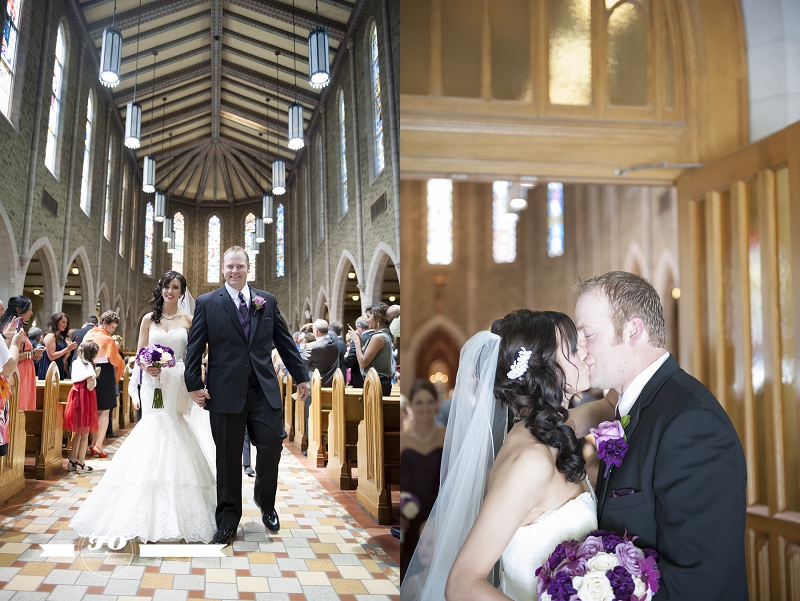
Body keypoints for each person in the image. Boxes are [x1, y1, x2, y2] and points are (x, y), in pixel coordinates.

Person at [402, 309, 605, 600]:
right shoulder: (530, 461)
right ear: (544, 367)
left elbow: (607, 407)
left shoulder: (552, 430)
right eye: (573, 347)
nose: (584, 351)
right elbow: (461, 584)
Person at [573, 271, 747, 600]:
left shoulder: (691, 422)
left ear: (633, 330)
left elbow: (698, 579)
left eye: (588, 334)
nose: (579, 350)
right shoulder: (634, 406)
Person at [71, 271, 217, 543]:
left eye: (175, 287)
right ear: (160, 290)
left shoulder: (189, 319)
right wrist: (147, 365)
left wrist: (186, 368)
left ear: (182, 292)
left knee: (174, 423)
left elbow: (200, 350)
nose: (170, 291)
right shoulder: (149, 319)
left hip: (177, 380)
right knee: (154, 425)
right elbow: (139, 353)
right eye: (166, 286)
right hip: (152, 382)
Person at [185, 246, 310, 546]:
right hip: (225, 391)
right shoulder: (207, 303)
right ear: (223, 269)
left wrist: (302, 376)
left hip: (263, 389)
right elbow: (195, 346)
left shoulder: (266, 300)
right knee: (228, 458)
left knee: (271, 445)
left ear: (248, 268)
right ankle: (228, 520)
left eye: (239, 266)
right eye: (229, 266)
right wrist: (193, 384)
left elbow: (284, 342)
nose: (235, 271)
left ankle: (265, 502)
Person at [400, 379, 446, 579]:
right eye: (419, 402)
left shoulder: (447, 436)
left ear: (437, 404)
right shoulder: (404, 439)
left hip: (439, 513)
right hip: (410, 517)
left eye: (429, 402)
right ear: (411, 405)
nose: (425, 407)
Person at [83, 312, 124, 458]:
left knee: (94, 410)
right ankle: (98, 445)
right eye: (112, 327)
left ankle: (92, 443)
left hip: (90, 372)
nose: (113, 330)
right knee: (104, 411)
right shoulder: (107, 339)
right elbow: (117, 360)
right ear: (105, 323)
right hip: (105, 374)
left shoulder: (89, 334)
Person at [0, 297, 44, 411]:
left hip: (25, 370)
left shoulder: (18, 328)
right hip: (17, 371)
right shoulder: (10, 328)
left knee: (24, 410)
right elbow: (6, 356)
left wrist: (33, 354)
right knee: (18, 409)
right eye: (29, 309)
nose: (31, 313)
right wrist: (32, 353)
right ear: (19, 310)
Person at [64, 342, 100, 472]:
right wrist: (96, 374)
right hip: (85, 397)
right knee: (85, 433)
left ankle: (72, 461)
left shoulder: (76, 362)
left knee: (78, 432)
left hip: (75, 395)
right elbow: (90, 386)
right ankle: (81, 463)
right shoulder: (88, 366)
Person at [347, 303, 394, 396]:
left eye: (369, 317)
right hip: (378, 382)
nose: (367, 320)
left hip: (376, 383)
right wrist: (360, 340)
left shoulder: (378, 337)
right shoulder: (384, 335)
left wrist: (356, 342)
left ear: (377, 318)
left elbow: (363, 363)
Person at [37, 312, 77, 380]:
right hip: (49, 368)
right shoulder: (50, 336)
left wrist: (68, 351)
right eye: (63, 322)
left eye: (66, 322)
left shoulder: (60, 337)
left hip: (58, 367)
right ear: (56, 322)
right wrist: (67, 349)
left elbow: (62, 360)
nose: (65, 325)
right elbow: (51, 356)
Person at [344, 316, 372, 388]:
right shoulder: (378, 337)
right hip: (376, 378)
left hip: (360, 379)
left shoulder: (357, 340)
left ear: (360, 328)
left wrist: (345, 358)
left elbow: (350, 361)